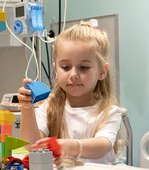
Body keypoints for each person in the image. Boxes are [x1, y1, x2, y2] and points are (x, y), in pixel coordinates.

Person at [18, 23, 123, 165]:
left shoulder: (109, 112)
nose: (73, 74)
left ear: (102, 71)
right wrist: (27, 109)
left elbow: (102, 146)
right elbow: (32, 146)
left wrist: (68, 146)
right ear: (55, 69)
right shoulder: (50, 106)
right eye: (65, 67)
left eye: (84, 67)